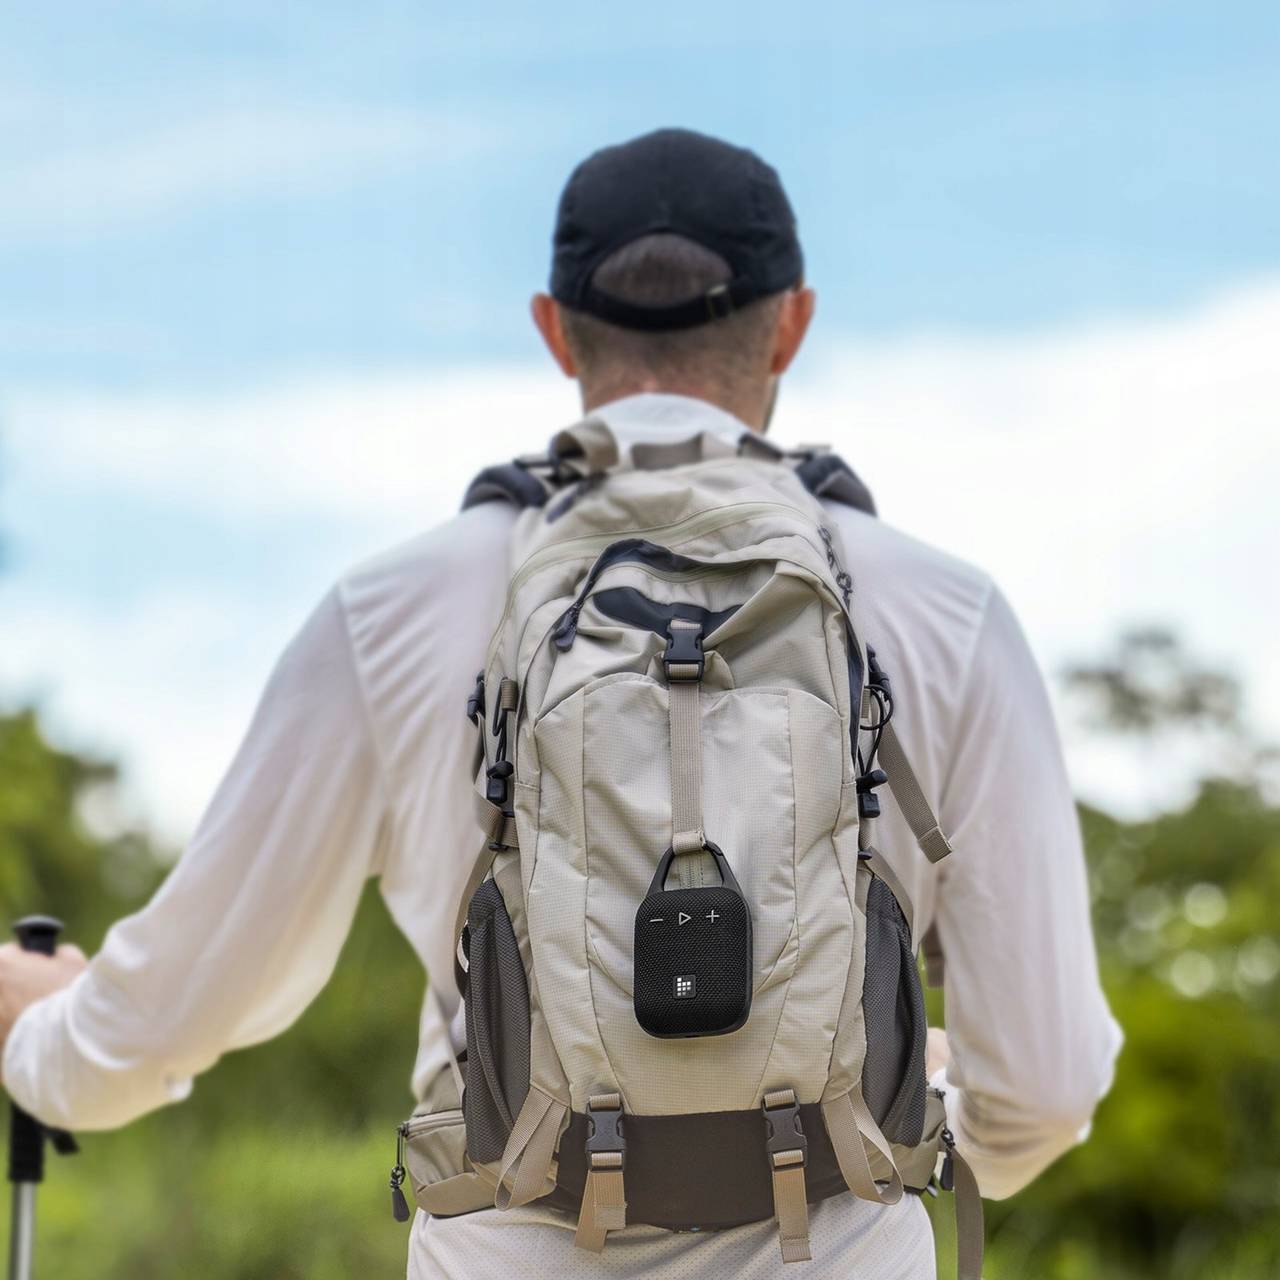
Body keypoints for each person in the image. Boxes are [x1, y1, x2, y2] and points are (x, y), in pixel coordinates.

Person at [1, 128, 1121, 1279]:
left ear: (554, 327)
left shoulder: (391, 609)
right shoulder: (944, 613)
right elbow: (1041, 1088)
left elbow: (176, 1006)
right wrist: (896, 1086)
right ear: (790, 322)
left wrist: (41, 1035)